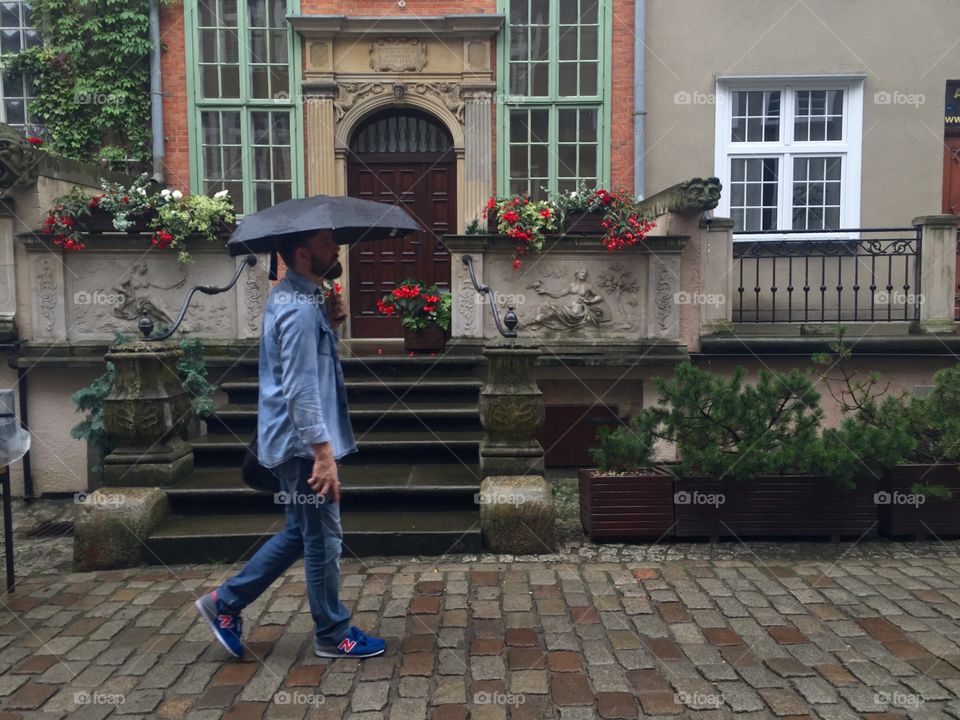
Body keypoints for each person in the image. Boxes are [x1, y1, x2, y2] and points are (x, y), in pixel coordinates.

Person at [195, 229, 386, 659]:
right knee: (323, 539)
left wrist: (332, 325)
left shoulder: (304, 301)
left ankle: (224, 603)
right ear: (303, 254)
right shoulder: (298, 308)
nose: (336, 247)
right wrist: (323, 454)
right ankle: (333, 634)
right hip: (303, 448)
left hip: (294, 440)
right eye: (325, 243)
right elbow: (300, 388)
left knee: (302, 532)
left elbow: (308, 369)